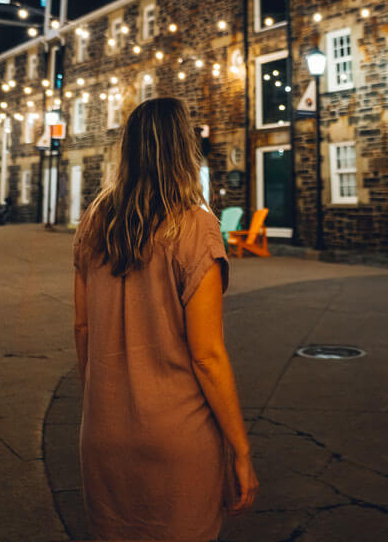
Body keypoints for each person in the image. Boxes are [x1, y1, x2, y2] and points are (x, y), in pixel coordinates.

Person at [72, 97, 258, 542]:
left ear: (129, 149)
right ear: (183, 149)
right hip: (178, 436)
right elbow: (208, 355)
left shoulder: (95, 222)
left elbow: (83, 330)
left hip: (102, 434)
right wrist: (241, 448)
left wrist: (105, 403)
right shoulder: (196, 227)